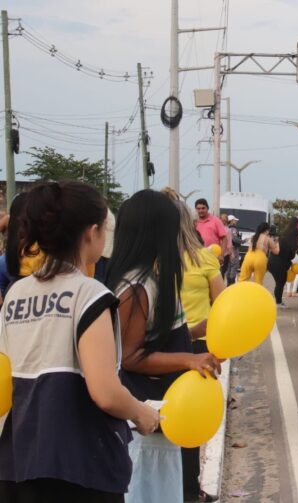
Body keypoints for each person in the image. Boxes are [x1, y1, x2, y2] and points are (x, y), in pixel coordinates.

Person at [0, 181, 160, 502]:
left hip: (17, 459)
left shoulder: (16, 293)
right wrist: (142, 413)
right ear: (91, 232)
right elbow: (104, 392)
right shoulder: (90, 295)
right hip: (79, 465)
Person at [106, 190, 222, 503]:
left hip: (165, 417)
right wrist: (188, 360)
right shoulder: (136, 286)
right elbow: (130, 357)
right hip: (146, 420)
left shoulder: (153, 280)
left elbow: (160, 334)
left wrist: (198, 334)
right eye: (172, 229)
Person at [176, 200, 224, 502]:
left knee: (189, 418)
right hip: (174, 343)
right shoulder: (154, 260)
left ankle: (189, 488)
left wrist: (218, 346)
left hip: (197, 345)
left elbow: (221, 304)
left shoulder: (205, 259)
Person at [267, 219, 298, 308]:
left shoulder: (283, 237)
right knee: (280, 283)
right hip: (278, 264)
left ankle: (279, 301)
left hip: (274, 262)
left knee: (280, 282)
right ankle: (278, 302)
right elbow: (291, 256)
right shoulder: (290, 242)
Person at [226, 215, 242, 285]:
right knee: (234, 266)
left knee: (229, 266)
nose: (236, 222)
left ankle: (228, 283)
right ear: (232, 221)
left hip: (227, 249)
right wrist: (243, 241)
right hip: (234, 249)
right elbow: (235, 239)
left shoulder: (226, 228)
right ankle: (231, 283)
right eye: (235, 220)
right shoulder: (233, 229)